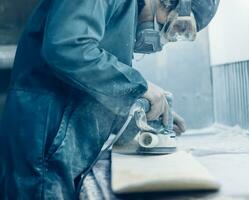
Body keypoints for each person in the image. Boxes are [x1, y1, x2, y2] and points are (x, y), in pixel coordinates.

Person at [0, 0, 219, 199]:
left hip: (59, 133)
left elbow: (93, 84)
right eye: (176, 28)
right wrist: (138, 88)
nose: (164, 39)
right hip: (44, 131)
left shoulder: (125, 14)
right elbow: (68, 46)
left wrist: (141, 112)